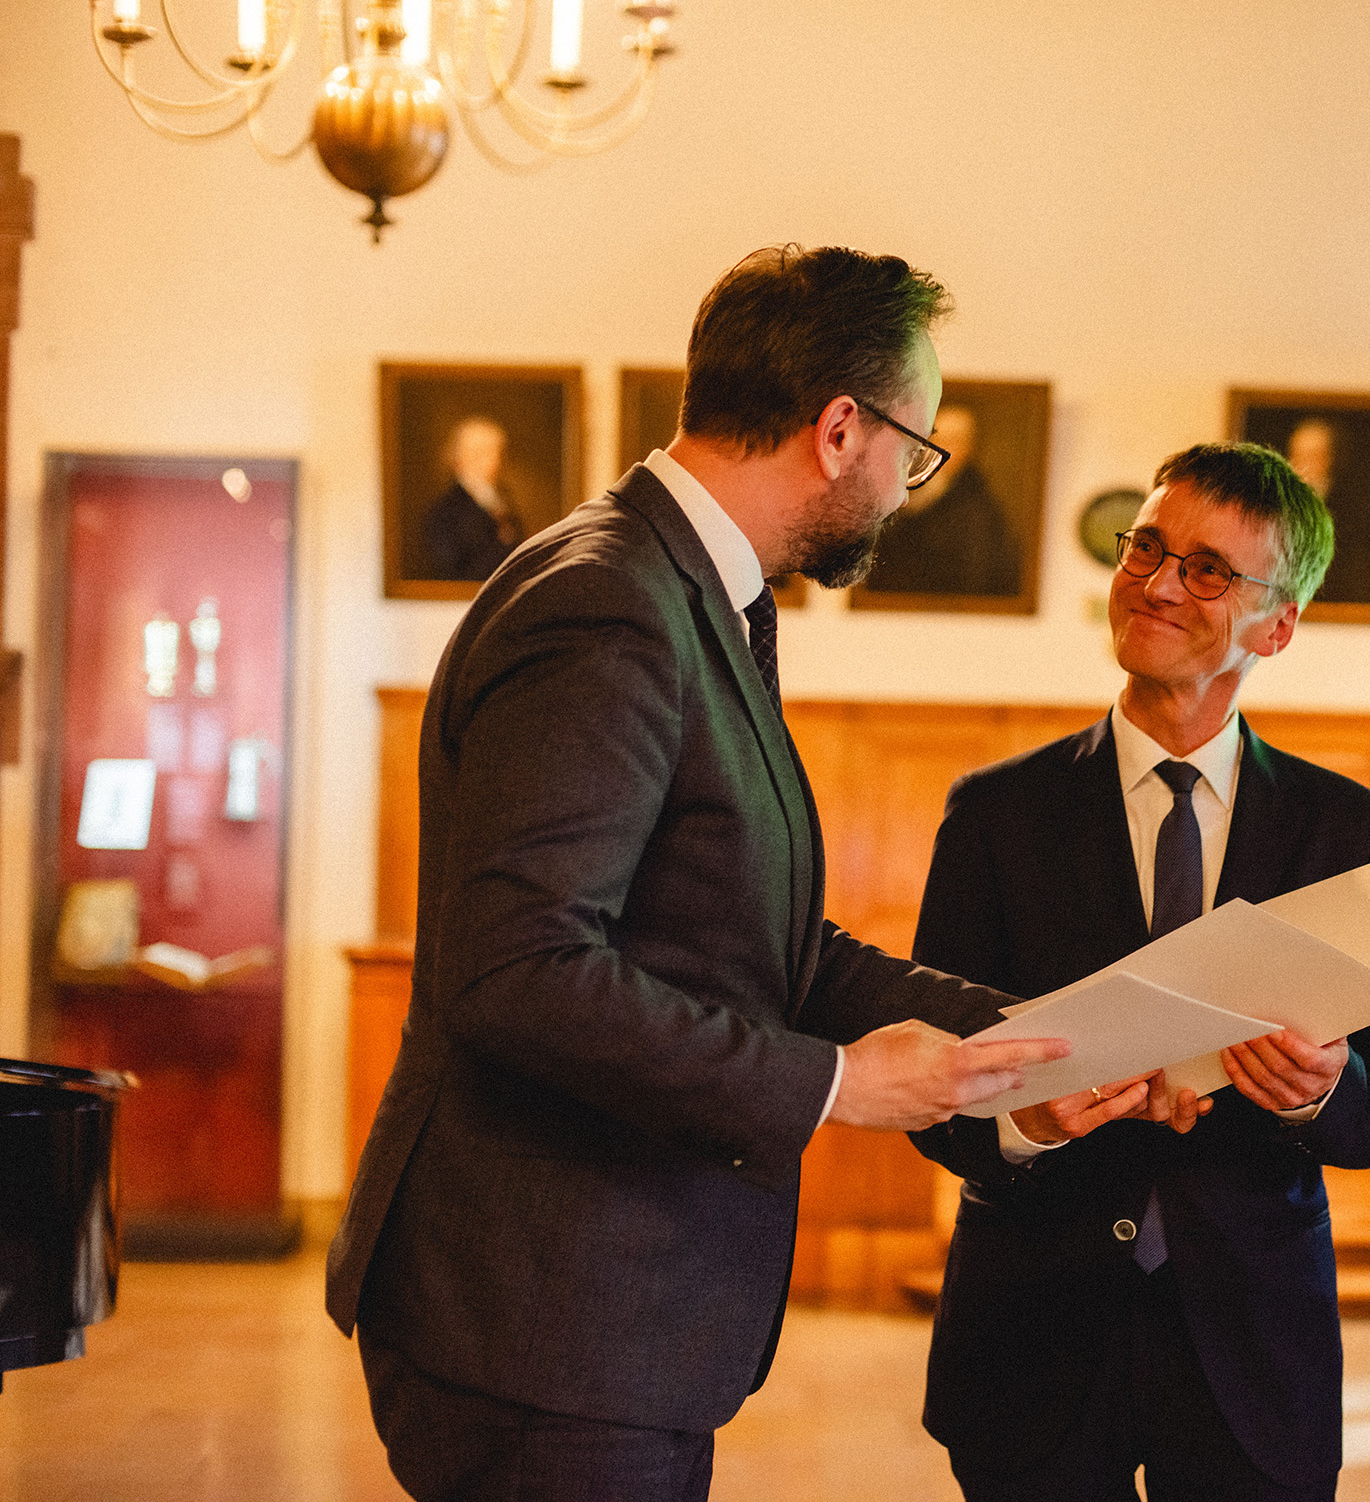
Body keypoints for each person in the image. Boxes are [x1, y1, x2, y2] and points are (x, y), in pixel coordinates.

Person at [325, 245, 1068, 1502]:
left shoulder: (689, 591)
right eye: (915, 449)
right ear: (841, 429)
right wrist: (833, 1083)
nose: (906, 486)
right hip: (545, 1324)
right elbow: (522, 971)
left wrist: (1021, 1044)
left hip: (604, 1325)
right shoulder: (611, 602)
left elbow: (764, 944)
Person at [910, 442, 1370, 1501]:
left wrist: (1322, 1088)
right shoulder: (993, 815)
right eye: (1146, 547)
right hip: (1032, 1339)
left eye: (1206, 568)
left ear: (1276, 625)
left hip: (1253, 1349)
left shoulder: (1353, 830)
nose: (1156, 582)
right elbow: (933, 1088)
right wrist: (1023, 1122)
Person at [862, 401, 1022, 596]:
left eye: (951, 441)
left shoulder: (975, 511)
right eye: (935, 439)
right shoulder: (902, 487)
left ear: (966, 449)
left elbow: (973, 580)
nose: (938, 449)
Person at [1284, 414, 1370, 608]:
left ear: (1329, 458)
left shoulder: (1355, 509)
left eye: (1312, 456)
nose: (1300, 464)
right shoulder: (1277, 506)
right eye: (1296, 454)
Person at [419, 415, 525, 581]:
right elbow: (453, 572)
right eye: (486, 453)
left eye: (496, 452)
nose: (496, 460)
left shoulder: (504, 500)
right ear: (463, 457)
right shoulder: (446, 510)